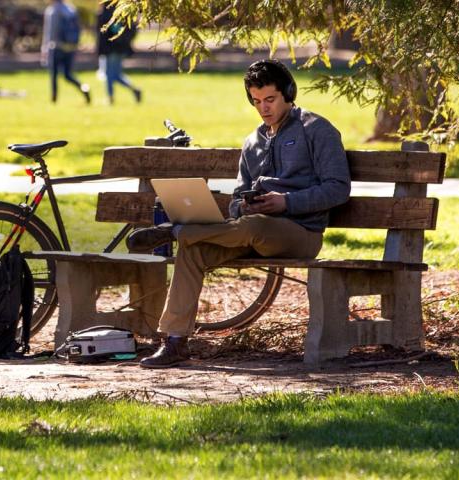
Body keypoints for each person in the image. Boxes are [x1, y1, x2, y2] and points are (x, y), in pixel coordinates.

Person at [126, 59, 352, 369]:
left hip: (301, 232)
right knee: (196, 249)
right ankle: (175, 341)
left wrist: (286, 203)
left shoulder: (317, 130)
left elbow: (338, 188)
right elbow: (236, 200)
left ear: (288, 93)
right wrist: (242, 205)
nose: (264, 108)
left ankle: (176, 230)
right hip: (250, 229)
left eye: (270, 99)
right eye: (256, 101)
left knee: (252, 225)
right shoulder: (253, 141)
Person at [41, 0, 90, 104]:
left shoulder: (52, 11)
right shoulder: (70, 9)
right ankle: (83, 87)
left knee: (54, 74)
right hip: (70, 47)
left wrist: (45, 48)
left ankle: (54, 99)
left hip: (56, 46)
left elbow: (50, 32)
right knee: (68, 75)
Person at [97, 3, 142, 104]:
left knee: (109, 75)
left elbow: (112, 31)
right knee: (116, 75)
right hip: (118, 48)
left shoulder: (109, 12)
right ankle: (134, 90)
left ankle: (110, 98)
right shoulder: (118, 8)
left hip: (112, 48)